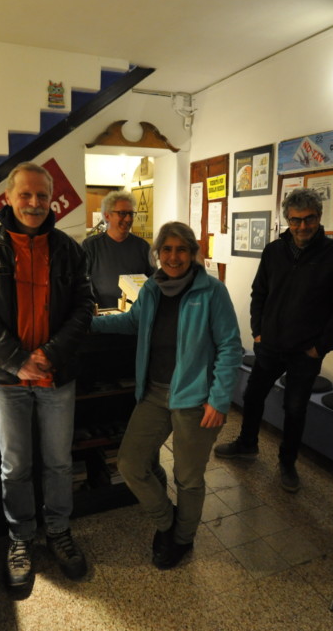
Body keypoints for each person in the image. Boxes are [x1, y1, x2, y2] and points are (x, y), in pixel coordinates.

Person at [0, 161, 95, 588]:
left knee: (58, 462)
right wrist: (17, 360)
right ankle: (20, 538)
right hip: (6, 379)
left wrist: (49, 355)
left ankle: (58, 531)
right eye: (26, 194)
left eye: (42, 195)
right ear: (9, 197)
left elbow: (84, 307)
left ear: (51, 199)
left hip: (56, 375)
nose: (35, 203)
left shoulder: (70, 249)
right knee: (15, 465)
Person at [91, 221, 241, 569]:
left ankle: (182, 539)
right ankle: (168, 522)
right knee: (130, 464)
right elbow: (132, 321)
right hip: (155, 393)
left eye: (181, 250)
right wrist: (89, 322)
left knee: (187, 478)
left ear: (192, 253)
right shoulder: (152, 289)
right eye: (167, 250)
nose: (174, 257)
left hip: (196, 400)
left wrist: (219, 400)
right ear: (158, 254)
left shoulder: (212, 291)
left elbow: (230, 346)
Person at [215, 187, 333, 493]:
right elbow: (259, 293)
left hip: (306, 351)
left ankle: (287, 463)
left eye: (309, 219)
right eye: (295, 220)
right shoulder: (273, 251)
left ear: (319, 218)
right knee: (253, 396)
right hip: (270, 345)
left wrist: (320, 347)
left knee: (295, 409)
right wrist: (258, 331)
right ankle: (247, 444)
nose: (302, 226)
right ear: (287, 220)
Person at [82, 190, 154, 309]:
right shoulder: (90, 246)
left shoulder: (143, 247)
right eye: (122, 213)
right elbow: (81, 283)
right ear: (107, 216)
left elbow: (153, 282)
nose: (128, 219)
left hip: (134, 315)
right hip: (102, 314)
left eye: (131, 214)